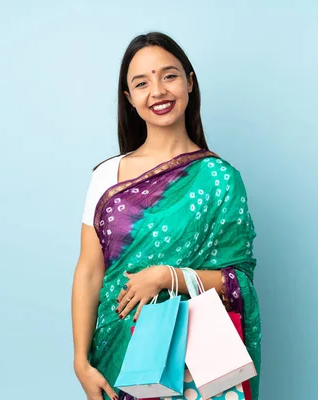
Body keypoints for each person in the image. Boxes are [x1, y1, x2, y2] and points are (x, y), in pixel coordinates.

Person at [72, 32, 261, 400]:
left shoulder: (221, 179)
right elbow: (89, 271)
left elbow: (238, 282)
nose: (157, 90)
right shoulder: (106, 176)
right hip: (117, 351)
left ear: (190, 82)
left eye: (169, 76)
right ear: (129, 100)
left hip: (197, 362)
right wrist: (81, 361)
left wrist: (166, 277)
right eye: (141, 83)